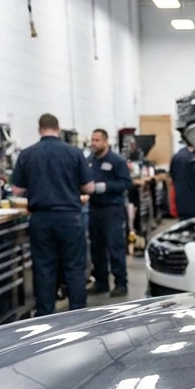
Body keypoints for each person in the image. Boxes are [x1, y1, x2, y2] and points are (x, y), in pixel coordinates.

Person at [12, 113, 94, 315]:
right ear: (58, 129)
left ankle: (45, 316)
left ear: (40, 129)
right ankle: (77, 314)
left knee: (44, 268)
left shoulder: (27, 154)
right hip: (69, 218)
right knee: (74, 267)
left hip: (41, 219)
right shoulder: (74, 153)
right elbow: (90, 187)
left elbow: (16, 190)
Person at [86, 128, 133, 297]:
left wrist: (106, 187)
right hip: (94, 209)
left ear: (106, 141)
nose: (94, 143)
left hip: (112, 210)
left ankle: (121, 283)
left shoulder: (116, 161)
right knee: (96, 249)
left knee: (115, 247)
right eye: (92, 139)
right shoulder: (89, 160)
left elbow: (126, 183)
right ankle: (101, 282)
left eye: (97, 140)